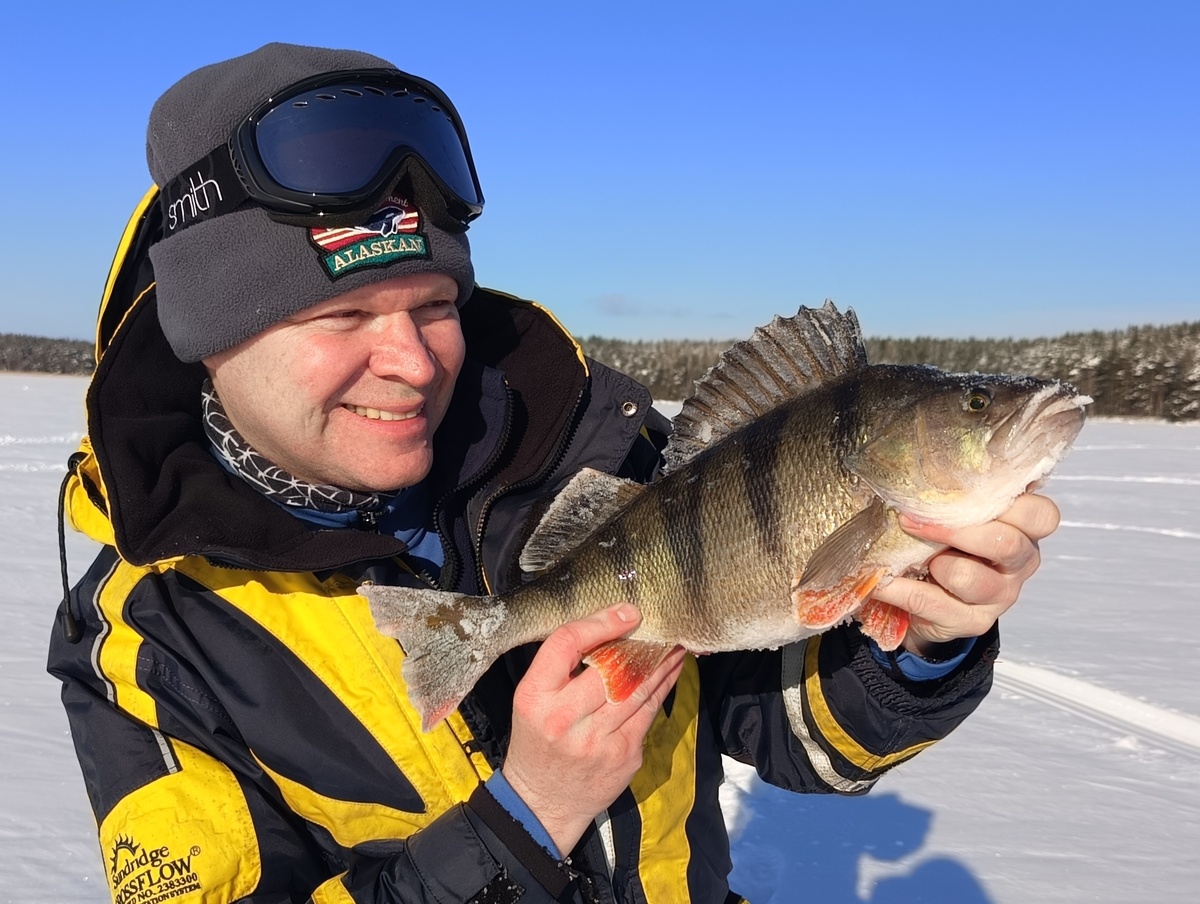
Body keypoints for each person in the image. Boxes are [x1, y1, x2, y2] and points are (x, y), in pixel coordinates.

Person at [48, 43, 1060, 904]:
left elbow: (794, 730)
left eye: (433, 306)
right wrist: (524, 820)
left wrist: (922, 646)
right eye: (342, 318)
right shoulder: (147, 641)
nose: (410, 361)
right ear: (212, 340)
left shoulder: (601, 455)